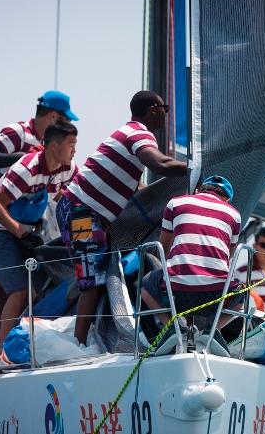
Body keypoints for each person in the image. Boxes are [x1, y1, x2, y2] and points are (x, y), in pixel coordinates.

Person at [57, 90, 187, 346]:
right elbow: (159, 164)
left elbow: (132, 185)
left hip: (83, 211)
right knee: (93, 280)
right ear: (153, 109)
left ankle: (86, 338)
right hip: (81, 212)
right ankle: (79, 344)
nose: (167, 114)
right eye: (165, 108)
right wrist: (195, 167)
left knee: (95, 275)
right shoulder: (138, 133)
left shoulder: (128, 133)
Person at [0, 121, 79, 345]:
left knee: (37, 287)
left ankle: (20, 343)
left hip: (26, 230)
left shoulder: (68, 168)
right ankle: (4, 352)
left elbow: (74, 193)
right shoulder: (27, 169)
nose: (75, 150)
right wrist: (20, 233)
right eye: (71, 144)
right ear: (53, 146)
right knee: (18, 290)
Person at [140, 176, 242, 338]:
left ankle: (171, 328)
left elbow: (163, 250)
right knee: (242, 295)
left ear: (197, 191)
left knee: (145, 285)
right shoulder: (234, 215)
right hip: (215, 297)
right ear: (227, 200)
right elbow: (226, 260)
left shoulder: (175, 203)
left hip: (174, 295)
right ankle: (212, 331)